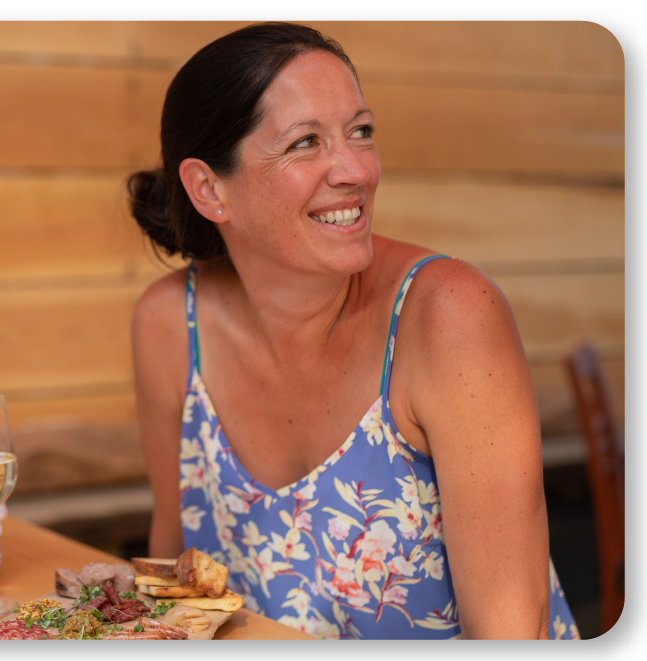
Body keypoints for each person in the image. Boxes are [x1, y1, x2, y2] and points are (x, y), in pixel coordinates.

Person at [128, 22, 578, 640]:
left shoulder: (449, 316)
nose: (355, 170)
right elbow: (169, 584)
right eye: (306, 142)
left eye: (360, 132)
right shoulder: (169, 325)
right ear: (209, 188)